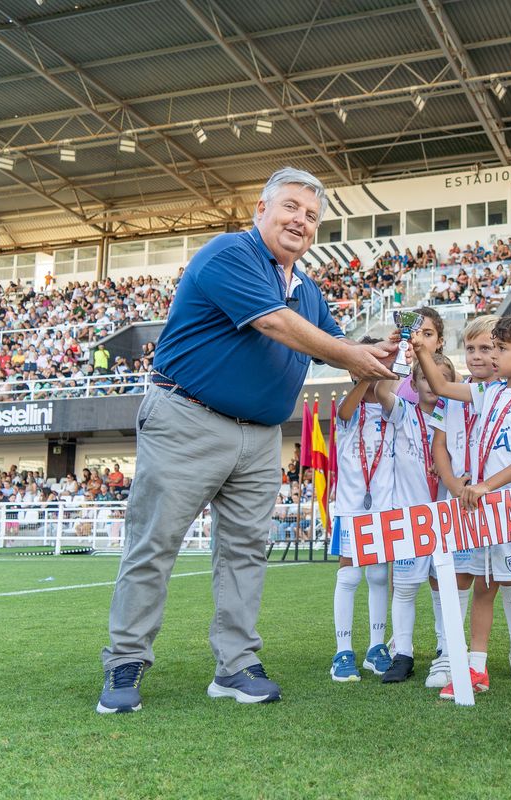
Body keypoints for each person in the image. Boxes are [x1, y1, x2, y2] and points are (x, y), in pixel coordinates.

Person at [97, 167, 395, 715]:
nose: (300, 221)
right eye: (291, 207)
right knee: (154, 544)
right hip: (187, 418)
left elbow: (335, 344)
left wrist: (383, 351)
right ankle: (125, 659)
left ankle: (235, 665)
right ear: (261, 210)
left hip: (259, 438)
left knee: (245, 554)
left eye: (311, 216)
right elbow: (277, 325)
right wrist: (353, 354)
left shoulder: (306, 289)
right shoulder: (230, 253)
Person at [415, 313, 511, 700]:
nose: (489, 355)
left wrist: (486, 485)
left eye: (497, 348)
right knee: (483, 582)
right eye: (480, 348)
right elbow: (441, 387)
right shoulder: (488, 392)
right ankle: (473, 665)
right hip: (481, 506)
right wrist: (422, 349)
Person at [424, 315, 498, 689]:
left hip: (498, 500)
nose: (477, 355)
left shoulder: (505, 391)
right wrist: (453, 485)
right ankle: (452, 653)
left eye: (487, 348)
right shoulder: (454, 394)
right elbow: (439, 445)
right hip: (459, 499)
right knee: (459, 577)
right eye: (470, 348)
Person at [374, 352, 457, 683]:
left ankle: (445, 648)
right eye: (425, 377)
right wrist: (400, 354)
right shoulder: (403, 412)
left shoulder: (456, 417)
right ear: (414, 382)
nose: (433, 384)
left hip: (446, 516)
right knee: (405, 588)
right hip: (409, 516)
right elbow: (381, 391)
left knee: (443, 586)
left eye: (442, 377)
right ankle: (403, 654)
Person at [330, 344, 397, 682]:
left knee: (379, 576)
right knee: (350, 576)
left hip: (385, 508)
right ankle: (343, 651)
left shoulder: (392, 408)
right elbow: (345, 411)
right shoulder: (349, 408)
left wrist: (391, 363)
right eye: (366, 365)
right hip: (352, 508)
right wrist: (366, 377)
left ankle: (376, 647)